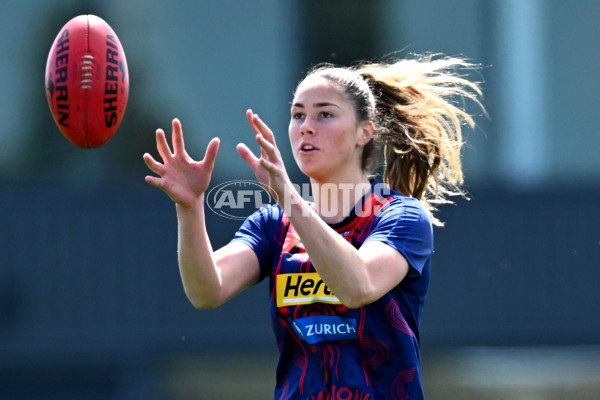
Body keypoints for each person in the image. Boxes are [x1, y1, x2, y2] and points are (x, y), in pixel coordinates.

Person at [143, 53, 483, 399]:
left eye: (325, 114)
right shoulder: (273, 224)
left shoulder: (400, 217)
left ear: (365, 132)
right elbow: (207, 291)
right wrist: (190, 206)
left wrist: (288, 197)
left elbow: (357, 286)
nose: (306, 126)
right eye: (297, 114)